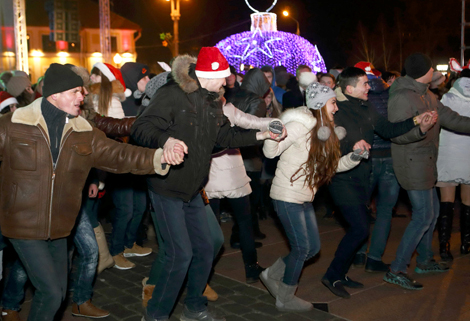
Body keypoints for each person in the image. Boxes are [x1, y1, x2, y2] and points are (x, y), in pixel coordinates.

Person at [0, 63, 175, 320]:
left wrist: (160, 157)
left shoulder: (83, 131)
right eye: (75, 92)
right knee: (49, 291)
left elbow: (119, 155)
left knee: (58, 292)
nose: (82, 97)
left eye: (82, 91)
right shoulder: (12, 125)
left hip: (60, 225)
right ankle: (10, 306)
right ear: (55, 94)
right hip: (22, 224)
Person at [131, 47, 285, 321]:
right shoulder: (172, 94)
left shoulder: (214, 100)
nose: (227, 81)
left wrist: (262, 135)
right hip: (166, 186)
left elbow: (226, 137)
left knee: (205, 248)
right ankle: (154, 315)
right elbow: (141, 128)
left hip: (193, 188)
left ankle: (194, 307)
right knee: (179, 254)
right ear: (205, 74)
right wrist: (166, 141)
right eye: (222, 76)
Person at [321, 66, 435, 299]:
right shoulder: (336, 111)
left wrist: (416, 120)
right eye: (364, 83)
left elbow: (388, 130)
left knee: (360, 229)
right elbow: (325, 145)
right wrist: (349, 148)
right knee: (360, 228)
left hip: (363, 176)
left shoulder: (366, 107)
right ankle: (332, 274)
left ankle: (339, 273)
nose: (369, 87)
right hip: (342, 178)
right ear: (350, 88)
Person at [261, 82, 362, 311]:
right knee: (302, 248)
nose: (336, 108)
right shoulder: (300, 125)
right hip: (286, 195)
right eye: (333, 102)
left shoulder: (322, 131)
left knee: (313, 248)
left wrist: (355, 157)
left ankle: (270, 274)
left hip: (305, 196)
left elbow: (331, 166)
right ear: (320, 104)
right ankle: (285, 298)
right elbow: (270, 151)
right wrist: (274, 133)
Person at [385, 53, 470, 290]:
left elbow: (451, 118)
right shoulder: (403, 96)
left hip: (426, 162)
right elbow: (398, 134)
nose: (435, 72)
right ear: (425, 72)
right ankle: (397, 268)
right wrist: (420, 129)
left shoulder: (427, 94)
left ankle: (424, 260)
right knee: (423, 216)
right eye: (432, 69)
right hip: (412, 163)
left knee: (430, 215)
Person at [352, 62, 401, 272]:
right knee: (385, 211)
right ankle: (374, 258)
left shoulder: (358, 95)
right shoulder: (392, 94)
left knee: (361, 208)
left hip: (367, 157)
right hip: (390, 156)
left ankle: (359, 253)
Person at [436, 72, 470, 261]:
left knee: (446, 202)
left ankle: (444, 245)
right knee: (468, 202)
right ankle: (466, 243)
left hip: (447, 156)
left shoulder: (445, 99)